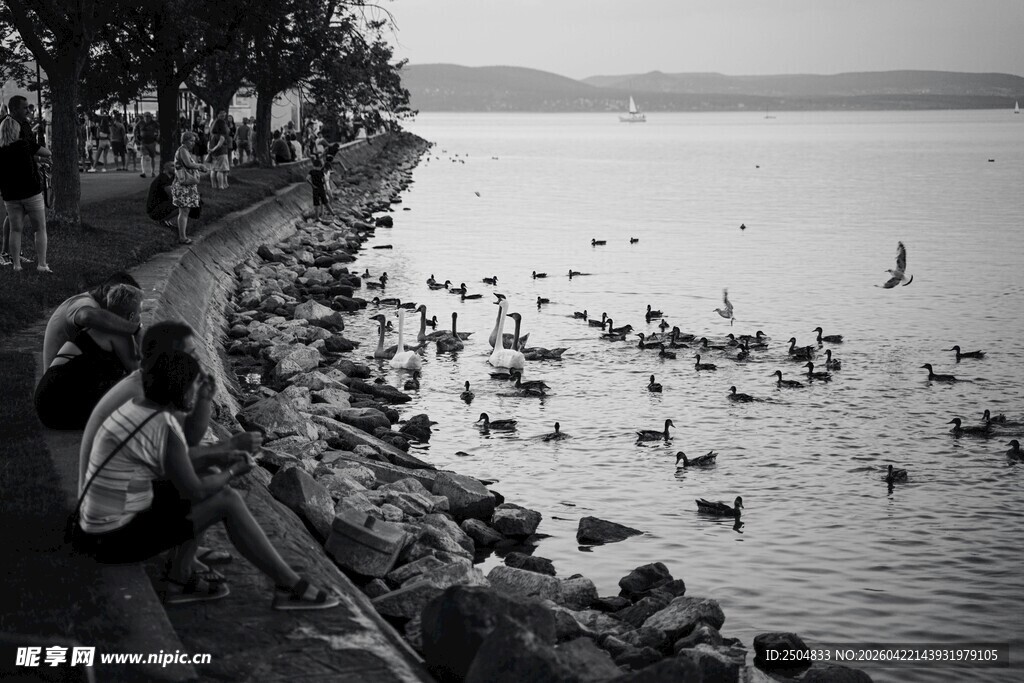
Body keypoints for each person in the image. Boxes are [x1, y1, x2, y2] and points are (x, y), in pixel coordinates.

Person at [76, 348, 341, 609]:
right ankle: (289, 584)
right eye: (193, 385)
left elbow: (180, 464)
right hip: (112, 540)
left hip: (95, 525)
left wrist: (221, 459)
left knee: (207, 475)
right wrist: (232, 472)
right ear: (180, 388)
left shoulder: (140, 408)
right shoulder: (164, 426)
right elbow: (196, 490)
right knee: (227, 500)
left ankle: (179, 574)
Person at [80, 320, 257, 575]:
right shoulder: (153, 406)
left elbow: (187, 443)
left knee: (205, 474)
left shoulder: (150, 389)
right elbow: (188, 470)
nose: (198, 359)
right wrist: (231, 463)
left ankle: (185, 559)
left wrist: (205, 400)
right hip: (109, 530)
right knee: (216, 491)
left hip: (100, 510)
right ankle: (182, 572)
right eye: (192, 353)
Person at [34, 284, 143, 429]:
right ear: (131, 316)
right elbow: (138, 375)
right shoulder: (119, 334)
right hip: (58, 404)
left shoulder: (101, 327)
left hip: (47, 403)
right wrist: (140, 333)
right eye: (140, 312)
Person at [41, 272, 142, 369]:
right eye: (121, 298)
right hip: (62, 378)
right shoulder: (84, 303)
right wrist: (134, 329)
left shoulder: (95, 306)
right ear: (107, 290)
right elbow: (87, 316)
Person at [0, 109, 51, 273]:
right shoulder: (24, 144)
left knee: (15, 229)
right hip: (31, 192)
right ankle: (42, 264)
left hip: (10, 195)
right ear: (17, 130)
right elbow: (47, 152)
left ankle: (16, 265)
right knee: (39, 228)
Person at [171, 131, 207, 244]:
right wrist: (200, 166)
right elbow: (188, 164)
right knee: (184, 210)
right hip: (183, 185)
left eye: (194, 141)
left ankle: (183, 235)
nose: (193, 143)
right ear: (185, 140)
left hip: (187, 185)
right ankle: (182, 237)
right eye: (191, 140)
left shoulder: (185, 150)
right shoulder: (182, 150)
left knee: (185, 210)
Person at [147, 162, 178, 227]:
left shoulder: (171, 178)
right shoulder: (163, 178)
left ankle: (167, 221)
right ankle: (162, 220)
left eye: (175, 166)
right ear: (165, 168)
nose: (175, 168)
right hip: (154, 210)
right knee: (183, 204)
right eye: (172, 166)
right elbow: (172, 195)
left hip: (161, 206)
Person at [207, 110, 230, 190]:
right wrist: (213, 149)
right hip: (221, 153)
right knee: (221, 170)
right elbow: (220, 144)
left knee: (213, 170)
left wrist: (210, 150)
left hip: (213, 154)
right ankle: (221, 186)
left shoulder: (212, 135)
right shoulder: (222, 135)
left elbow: (209, 143)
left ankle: (213, 185)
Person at [136, 112, 160, 178]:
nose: (147, 118)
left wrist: (158, 136)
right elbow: (136, 129)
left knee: (152, 157)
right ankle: (144, 172)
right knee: (144, 156)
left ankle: (153, 172)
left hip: (152, 142)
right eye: (145, 116)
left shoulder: (154, 123)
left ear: (150, 117)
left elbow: (159, 129)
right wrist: (137, 137)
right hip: (143, 142)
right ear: (143, 117)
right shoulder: (140, 123)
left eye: (148, 116)